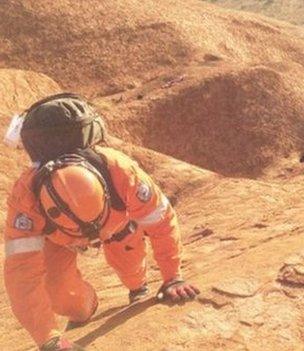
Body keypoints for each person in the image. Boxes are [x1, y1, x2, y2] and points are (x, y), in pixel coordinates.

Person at [3, 93, 200, 351]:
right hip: (60, 241)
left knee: (132, 271)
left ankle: (137, 284)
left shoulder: (122, 171)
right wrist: (48, 339)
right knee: (65, 300)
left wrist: (172, 277)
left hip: (116, 226)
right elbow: (22, 276)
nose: (88, 233)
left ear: (104, 191)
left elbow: (161, 221)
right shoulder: (26, 202)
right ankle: (87, 306)